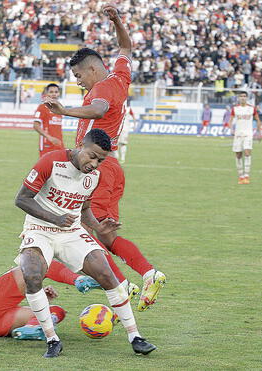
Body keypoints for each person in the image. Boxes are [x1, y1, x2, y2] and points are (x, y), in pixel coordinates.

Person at [42, 4, 166, 313]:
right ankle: (144, 274)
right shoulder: (119, 77)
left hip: (99, 168)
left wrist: (63, 109)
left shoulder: (104, 89)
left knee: (83, 232)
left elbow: (97, 111)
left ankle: (125, 283)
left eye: (78, 75)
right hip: (103, 168)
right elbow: (125, 46)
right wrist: (116, 20)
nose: (78, 80)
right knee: (101, 232)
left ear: (92, 69)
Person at [15, 129, 156, 358]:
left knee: (106, 273)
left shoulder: (93, 177)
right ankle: (52, 340)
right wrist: (55, 218)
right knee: (32, 274)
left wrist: (99, 227)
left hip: (71, 232)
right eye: (92, 156)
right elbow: (21, 199)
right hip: (39, 229)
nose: (94, 164)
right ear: (81, 145)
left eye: (100, 160)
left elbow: (85, 208)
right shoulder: (51, 161)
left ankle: (136, 337)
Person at [228, 91, 262, 185]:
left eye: (244, 96)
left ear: (247, 98)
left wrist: (259, 132)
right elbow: (230, 121)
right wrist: (231, 129)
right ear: (238, 98)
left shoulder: (251, 108)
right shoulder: (235, 109)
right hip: (238, 134)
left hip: (248, 134)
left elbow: (258, 120)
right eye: (241, 96)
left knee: (247, 153)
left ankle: (247, 175)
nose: (243, 98)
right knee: (238, 155)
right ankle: (240, 176)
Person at [33, 83, 64, 157]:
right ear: (46, 93)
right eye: (51, 92)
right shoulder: (42, 107)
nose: (54, 94)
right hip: (47, 145)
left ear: (59, 94)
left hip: (59, 144)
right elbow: (36, 125)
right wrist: (49, 138)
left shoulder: (60, 108)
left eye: (56, 92)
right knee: (46, 167)